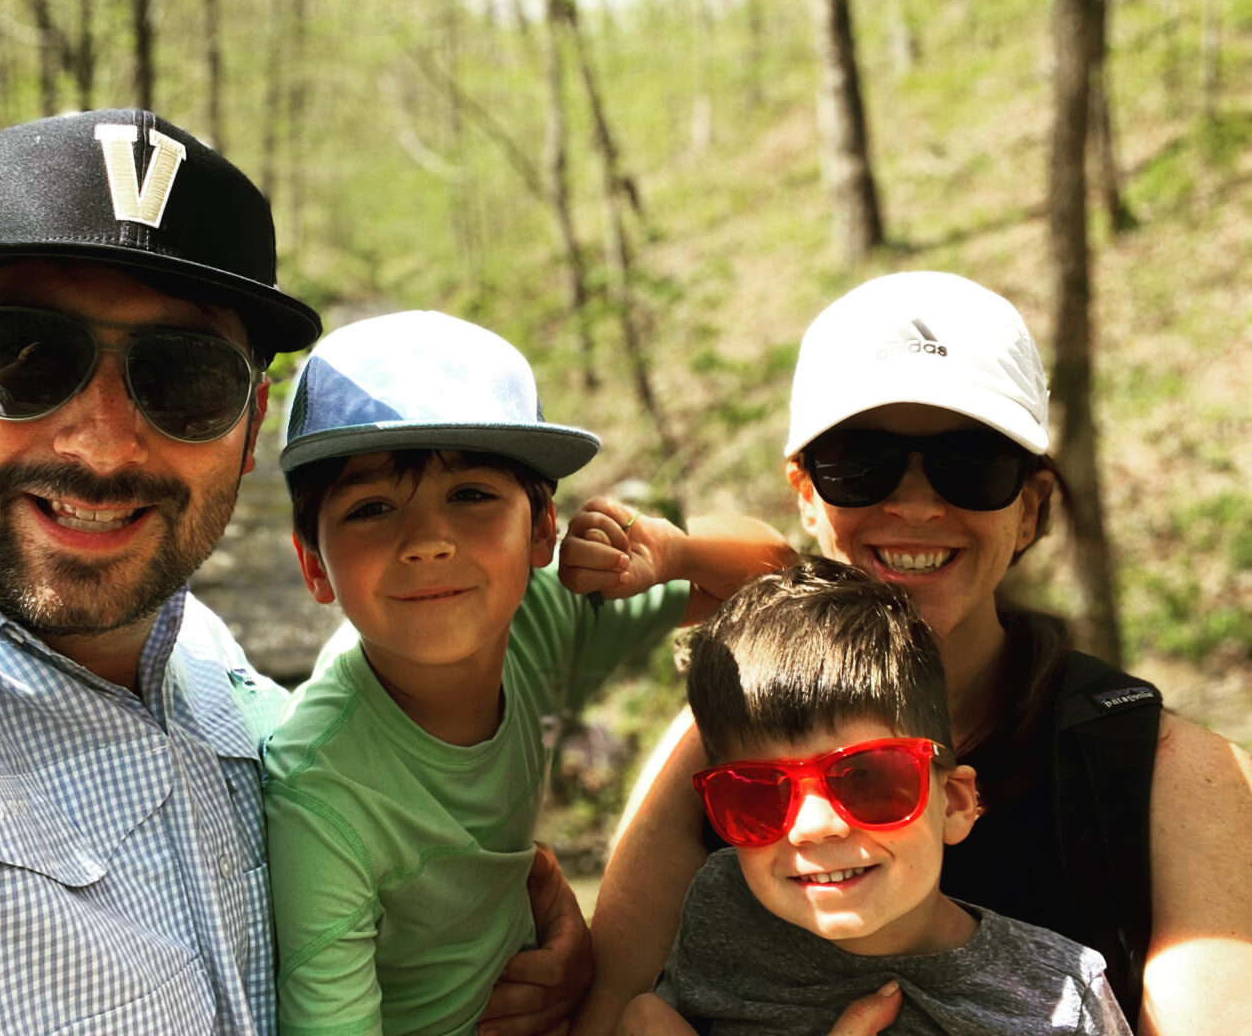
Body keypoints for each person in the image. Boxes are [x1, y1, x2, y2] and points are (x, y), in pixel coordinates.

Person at [0, 110, 583, 1036]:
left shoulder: (209, 666)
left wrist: (507, 942)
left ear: (248, 430)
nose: (103, 443)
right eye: (28, 360)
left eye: (184, 379)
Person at [569, 271, 1252, 1036]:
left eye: (975, 466)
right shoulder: (721, 741)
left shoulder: (1167, 776)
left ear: (1030, 508)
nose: (917, 505)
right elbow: (605, 1009)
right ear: (805, 495)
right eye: (861, 464)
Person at [264, 310, 795, 1036]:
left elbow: (774, 571)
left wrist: (668, 553)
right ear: (313, 567)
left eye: (471, 495)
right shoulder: (321, 788)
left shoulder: (543, 617)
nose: (426, 542)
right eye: (373, 508)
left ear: (543, 528)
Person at [619, 557, 1130, 1034]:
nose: (813, 825)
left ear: (953, 802)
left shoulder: (1061, 996)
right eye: (755, 794)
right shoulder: (720, 909)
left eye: (867, 779)